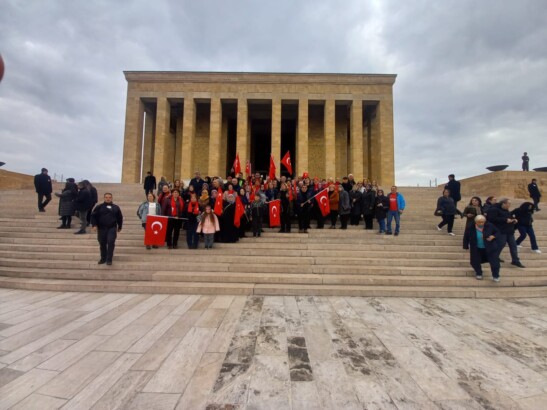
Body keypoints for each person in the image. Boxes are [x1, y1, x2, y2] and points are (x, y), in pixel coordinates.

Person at [486, 198, 524, 268]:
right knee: (501, 244)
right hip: (500, 230)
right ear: (503, 203)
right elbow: (491, 219)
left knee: (513, 245)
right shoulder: (494, 209)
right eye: (508, 204)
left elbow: (509, 216)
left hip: (509, 230)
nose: (509, 205)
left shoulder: (506, 210)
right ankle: (494, 257)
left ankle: (515, 260)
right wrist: (505, 220)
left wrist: (513, 219)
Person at [463, 215, 501, 281]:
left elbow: (498, 232)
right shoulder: (470, 227)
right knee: (475, 261)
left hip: (490, 247)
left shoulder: (490, 225)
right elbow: (466, 236)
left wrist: (493, 236)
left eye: (482, 222)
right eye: (479, 222)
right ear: (475, 222)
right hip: (476, 247)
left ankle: (496, 275)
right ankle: (479, 273)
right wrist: (465, 245)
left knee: (495, 263)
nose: (481, 223)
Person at [91, 193, 123, 266]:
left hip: (112, 228)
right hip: (101, 228)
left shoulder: (116, 207)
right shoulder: (99, 207)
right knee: (102, 243)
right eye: (106, 197)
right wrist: (94, 225)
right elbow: (93, 216)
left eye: (109, 197)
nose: (108, 198)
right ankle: (103, 258)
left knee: (111, 242)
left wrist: (120, 226)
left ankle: (109, 259)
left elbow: (120, 217)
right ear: (104, 198)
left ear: (111, 198)